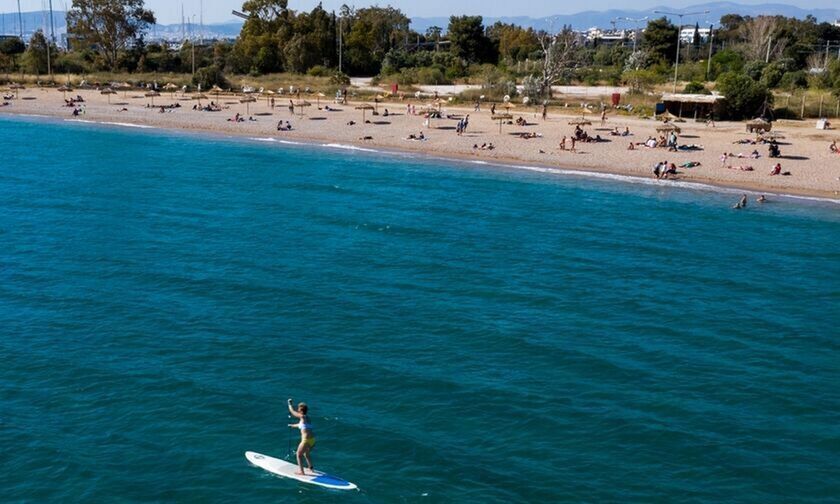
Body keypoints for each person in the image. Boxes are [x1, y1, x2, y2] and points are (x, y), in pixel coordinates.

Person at [287, 399, 315, 475]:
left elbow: (292, 412)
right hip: (312, 440)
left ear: (301, 410)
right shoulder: (307, 418)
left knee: (298, 455)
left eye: (298, 409)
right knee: (306, 454)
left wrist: (289, 404)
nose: (297, 410)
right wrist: (292, 425)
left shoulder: (302, 416)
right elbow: (302, 425)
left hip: (305, 440)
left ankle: (301, 472)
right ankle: (311, 468)